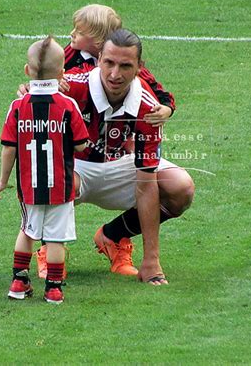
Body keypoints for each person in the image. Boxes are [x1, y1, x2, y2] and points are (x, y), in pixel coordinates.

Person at [65, 28, 194, 285]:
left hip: (119, 167)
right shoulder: (70, 87)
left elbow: (146, 185)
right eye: (109, 63)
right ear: (98, 58)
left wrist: (152, 262)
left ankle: (112, 236)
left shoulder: (149, 107)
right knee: (49, 176)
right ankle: (50, 252)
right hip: (74, 170)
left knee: (181, 188)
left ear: (139, 68)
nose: (115, 74)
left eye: (125, 66)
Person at [0, 36, 89, 304]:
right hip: (61, 186)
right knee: (56, 239)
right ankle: (53, 289)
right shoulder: (69, 106)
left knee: (27, 231)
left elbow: (8, 147)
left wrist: (2, 180)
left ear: (27, 71)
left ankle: (19, 282)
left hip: (28, 187)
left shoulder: (18, 106)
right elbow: (81, 146)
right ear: (62, 73)